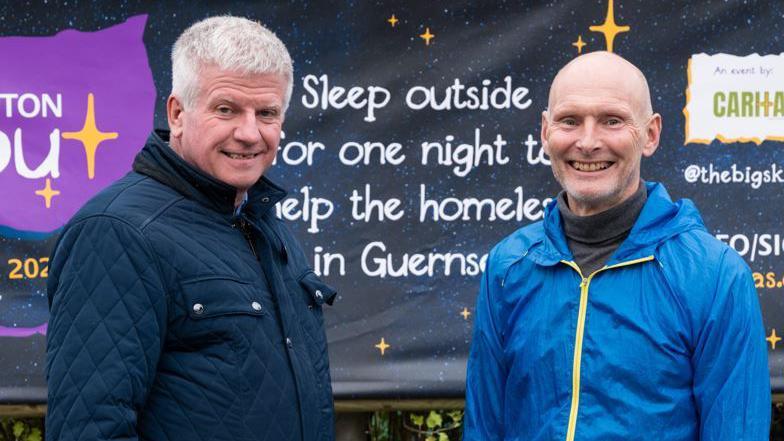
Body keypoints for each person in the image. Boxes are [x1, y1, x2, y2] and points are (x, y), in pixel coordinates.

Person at [45, 16, 336, 441]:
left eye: (267, 113)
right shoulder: (116, 232)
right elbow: (88, 430)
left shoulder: (262, 222)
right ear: (178, 113)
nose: (250, 133)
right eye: (226, 109)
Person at [464, 51, 770, 440]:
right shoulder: (507, 266)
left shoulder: (715, 275)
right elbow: (484, 427)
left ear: (651, 134)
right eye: (569, 121)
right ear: (545, 132)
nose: (588, 142)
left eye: (612, 121)